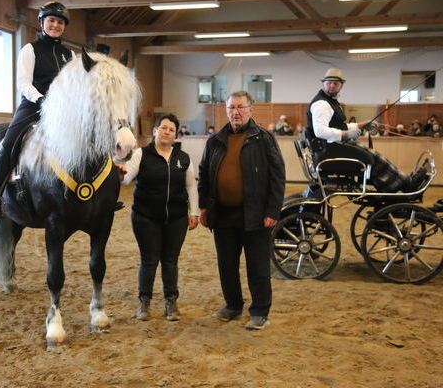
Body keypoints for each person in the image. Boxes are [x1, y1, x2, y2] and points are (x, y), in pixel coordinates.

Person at [198, 91, 286, 330]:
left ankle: (259, 311)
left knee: (257, 266)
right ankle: (233, 306)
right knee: (226, 265)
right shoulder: (215, 140)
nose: (235, 112)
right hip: (223, 214)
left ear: (250, 109)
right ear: (226, 110)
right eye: (231, 108)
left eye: (240, 107)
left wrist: (273, 211)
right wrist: (204, 206)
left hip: (255, 214)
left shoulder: (264, 138)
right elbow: (204, 175)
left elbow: (278, 177)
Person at [0, 2, 73, 218]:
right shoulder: (30, 49)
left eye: (60, 22)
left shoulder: (69, 54)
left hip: (63, 110)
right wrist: (41, 99)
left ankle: (96, 193)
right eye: (51, 20)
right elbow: (23, 82)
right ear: (42, 22)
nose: (55, 25)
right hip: (34, 106)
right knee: (9, 142)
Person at [118, 114, 200, 322]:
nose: (166, 132)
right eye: (163, 128)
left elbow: (191, 186)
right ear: (155, 131)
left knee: (171, 261)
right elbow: (126, 178)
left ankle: (171, 302)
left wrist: (194, 212)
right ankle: (144, 302)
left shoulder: (183, 158)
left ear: (176, 134)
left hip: (177, 218)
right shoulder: (141, 154)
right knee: (149, 259)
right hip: (146, 218)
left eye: (171, 129)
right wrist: (119, 169)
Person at [306, 68, 428, 193]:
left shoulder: (331, 102)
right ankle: (404, 184)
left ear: (341, 85)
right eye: (329, 83)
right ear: (323, 83)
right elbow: (320, 131)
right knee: (370, 156)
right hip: (329, 151)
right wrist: (346, 134)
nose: (332, 86)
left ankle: (401, 182)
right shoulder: (322, 103)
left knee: (373, 154)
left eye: (335, 83)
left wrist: (362, 125)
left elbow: (338, 125)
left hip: (333, 147)